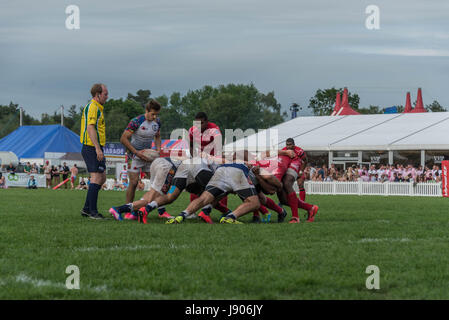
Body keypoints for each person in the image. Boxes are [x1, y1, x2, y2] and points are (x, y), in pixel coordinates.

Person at [119, 100, 170, 219]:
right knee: (133, 182)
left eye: (156, 114)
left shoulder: (157, 122)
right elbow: (123, 139)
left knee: (157, 182)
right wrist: (136, 152)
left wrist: (158, 150)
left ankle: (161, 212)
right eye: (152, 114)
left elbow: (157, 136)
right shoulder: (136, 121)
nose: (155, 117)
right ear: (146, 111)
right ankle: (128, 211)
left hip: (148, 156)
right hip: (134, 155)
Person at [109, 157, 183, 223]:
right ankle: (118, 209)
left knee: (154, 194)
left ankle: (135, 213)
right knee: (151, 199)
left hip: (159, 162)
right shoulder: (190, 166)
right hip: (167, 167)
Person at [187, 111, 227, 219]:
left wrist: (212, 160)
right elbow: (190, 145)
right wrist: (194, 157)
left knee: (221, 183)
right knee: (196, 182)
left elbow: (219, 146)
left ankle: (225, 211)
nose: (198, 126)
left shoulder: (214, 129)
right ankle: (192, 212)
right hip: (200, 158)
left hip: (214, 158)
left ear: (207, 122)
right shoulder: (192, 130)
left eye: (201, 123)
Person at [79, 83, 108, 219]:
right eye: (105, 94)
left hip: (96, 146)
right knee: (96, 177)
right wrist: (97, 148)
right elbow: (90, 128)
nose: (107, 97)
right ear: (97, 95)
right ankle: (93, 212)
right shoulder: (92, 107)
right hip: (91, 146)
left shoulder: (98, 108)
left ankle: (86, 208)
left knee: (102, 177)